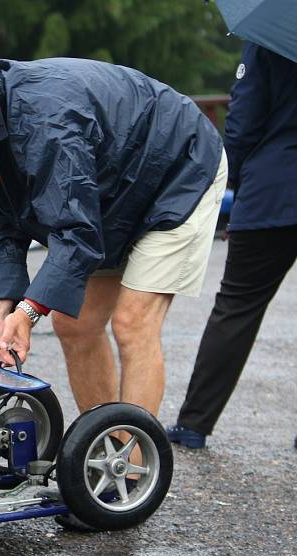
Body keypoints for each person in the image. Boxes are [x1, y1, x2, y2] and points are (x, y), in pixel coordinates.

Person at [0, 59, 226, 439]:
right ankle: (102, 446)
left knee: (132, 323)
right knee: (74, 323)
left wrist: (27, 312)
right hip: (112, 192)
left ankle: (131, 467)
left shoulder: (48, 124)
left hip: (177, 171)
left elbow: (74, 230)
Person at [167, 43, 297, 450]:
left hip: (275, 189)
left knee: (238, 306)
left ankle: (194, 424)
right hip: (275, 188)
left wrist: (233, 177)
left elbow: (243, 119)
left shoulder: (272, 34)